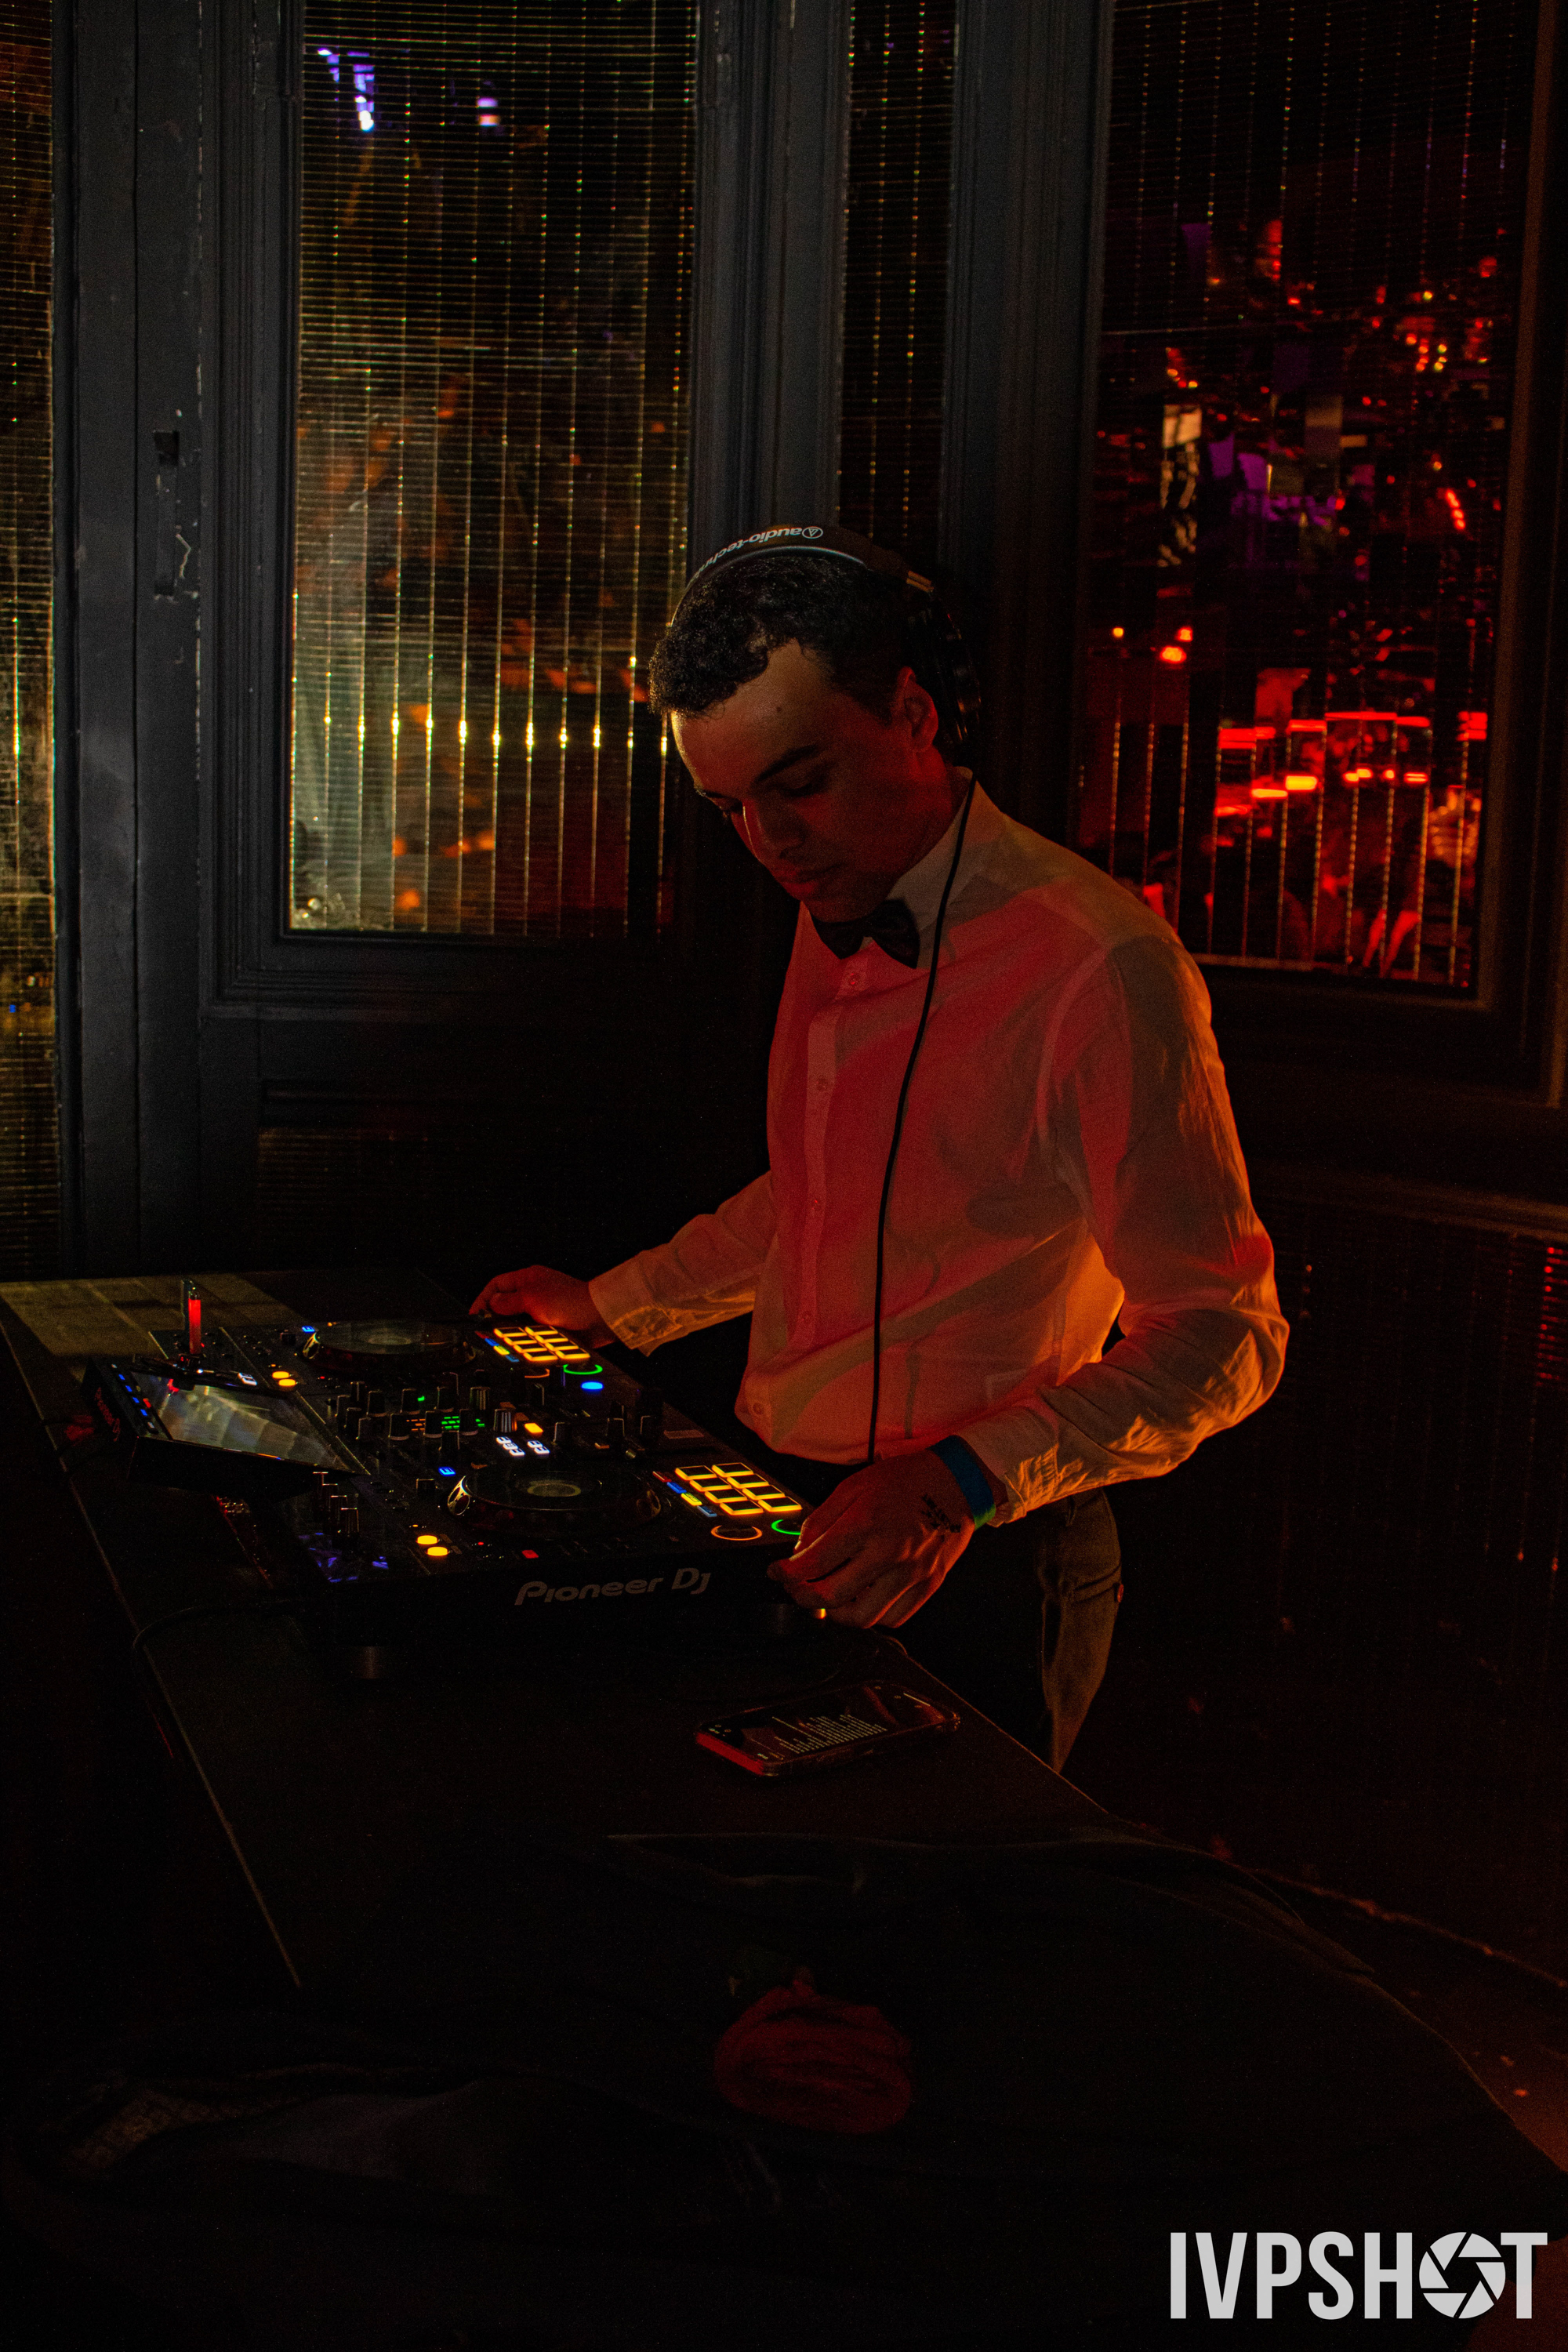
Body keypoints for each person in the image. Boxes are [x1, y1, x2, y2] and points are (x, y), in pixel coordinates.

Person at [473, 535, 1287, 1769]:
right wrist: (611, 1306)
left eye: (801, 784)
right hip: (782, 1501)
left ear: (915, 712)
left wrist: (960, 1478)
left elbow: (1225, 1334)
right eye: (731, 808)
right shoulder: (836, 898)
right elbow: (817, 1193)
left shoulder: (1100, 966)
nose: (770, 842)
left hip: (987, 1549)